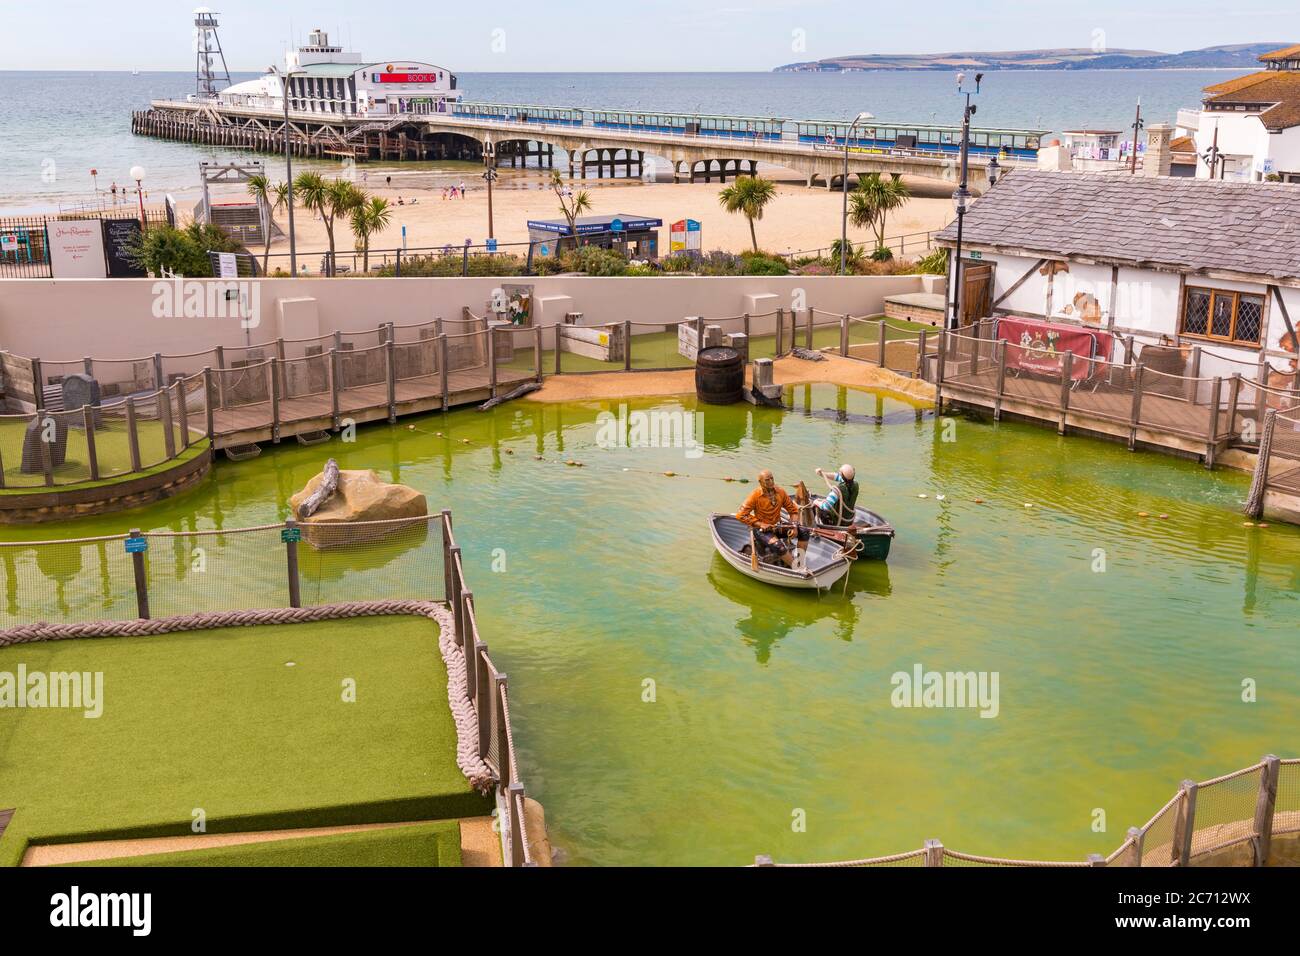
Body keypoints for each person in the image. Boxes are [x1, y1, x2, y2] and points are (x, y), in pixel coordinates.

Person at [735, 469, 808, 568]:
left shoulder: (780, 492)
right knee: (779, 547)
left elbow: (793, 511)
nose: (771, 482)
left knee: (804, 531)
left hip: (777, 526)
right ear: (760, 482)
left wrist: (794, 526)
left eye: (772, 478)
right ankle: (797, 568)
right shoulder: (755, 495)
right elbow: (740, 514)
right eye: (767, 480)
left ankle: (800, 562)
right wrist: (760, 524)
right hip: (761, 530)